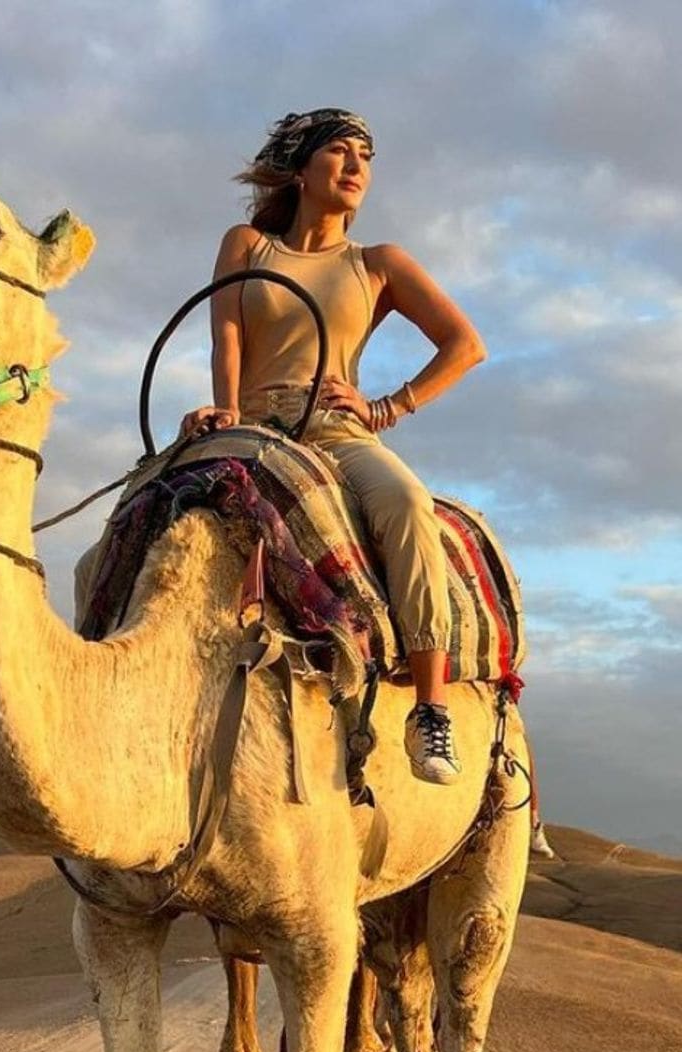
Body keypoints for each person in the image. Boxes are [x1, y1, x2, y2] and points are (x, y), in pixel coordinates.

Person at [180, 109, 488, 785]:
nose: (356, 167)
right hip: (253, 422)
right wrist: (225, 408)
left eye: (365, 157)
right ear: (299, 169)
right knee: (152, 505)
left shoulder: (376, 263)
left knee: (405, 501)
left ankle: (430, 709)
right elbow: (226, 336)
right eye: (340, 152)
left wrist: (389, 406)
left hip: (337, 428)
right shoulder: (247, 246)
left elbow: (466, 346)